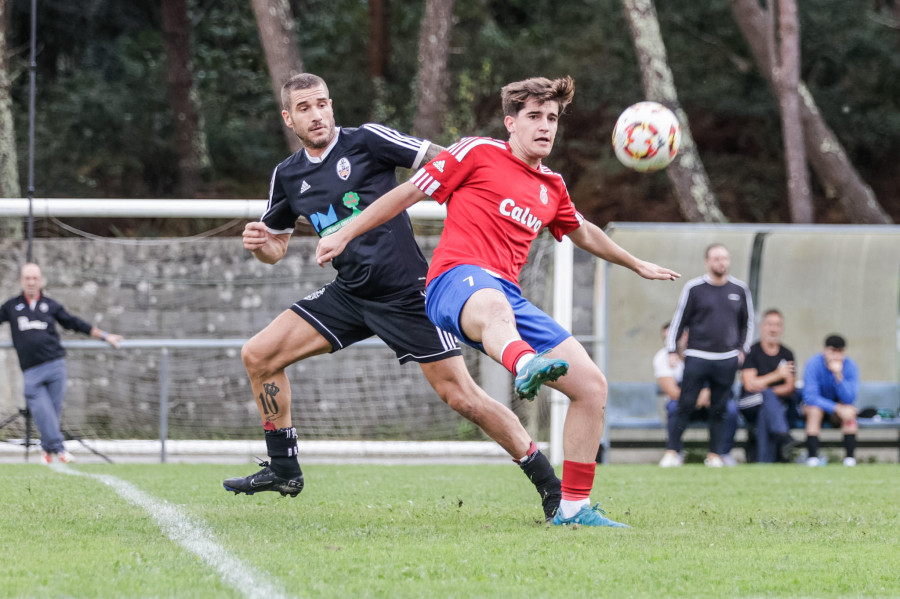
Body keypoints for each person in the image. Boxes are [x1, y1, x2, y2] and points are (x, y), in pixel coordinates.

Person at [317, 75, 680, 527]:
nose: (545, 126)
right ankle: (524, 363)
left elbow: (583, 231)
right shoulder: (476, 151)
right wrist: (345, 231)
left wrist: (635, 263)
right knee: (492, 305)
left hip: (507, 298)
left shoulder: (553, 186)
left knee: (591, 386)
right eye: (534, 117)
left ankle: (572, 509)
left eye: (552, 118)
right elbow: (407, 193)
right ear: (511, 123)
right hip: (454, 281)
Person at [222, 73, 563, 523]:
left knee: (463, 398)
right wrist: (259, 243)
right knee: (259, 355)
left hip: (407, 292)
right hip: (349, 293)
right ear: (289, 118)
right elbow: (275, 249)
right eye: (304, 108)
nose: (317, 114)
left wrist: (492, 193)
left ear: (331, 104)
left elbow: (447, 160)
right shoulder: (287, 176)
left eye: (322, 103)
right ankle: (284, 467)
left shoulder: (366, 140)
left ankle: (548, 484)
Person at [0, 263, 123, 463]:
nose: (31, 282)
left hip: (55, 366)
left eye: (35, 278)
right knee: (43, 411)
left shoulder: (50, 305)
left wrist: (105, 336)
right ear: (21, 281)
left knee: (53, 413)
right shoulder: (12, 306)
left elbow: (75, 323)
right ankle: (59, 449)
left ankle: (47, 451)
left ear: (40, 281)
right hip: (31, 371)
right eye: (27, 278)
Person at [665, 243, 752, 468]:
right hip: (697, 356)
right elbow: (679, 320)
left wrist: (742, 350)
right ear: (707, 262)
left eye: (724, 258)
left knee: (720, 408)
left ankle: (714, 455)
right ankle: (673, 452)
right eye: (716, 259)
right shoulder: (694, 288)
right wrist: (672, 349)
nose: (721, 262)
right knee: (684, 404)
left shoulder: (740, 289)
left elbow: (747, 324)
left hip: (726, 359)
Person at [655, 323, 738, 467]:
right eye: (667, 339)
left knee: (729, 409)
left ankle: (722, 453)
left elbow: (719, 382)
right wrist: (694, 397)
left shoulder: (703, 353)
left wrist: (708, 394)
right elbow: (672, 390)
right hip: (684, 401)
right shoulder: (663, 357)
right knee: (674, 408)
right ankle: (675, 453)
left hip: (708, 401)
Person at [738, 309, 798, 463]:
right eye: (770, 324)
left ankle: (764, 462)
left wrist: (765, 387)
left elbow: (789, 387)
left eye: (777, 325)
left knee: (765, 410)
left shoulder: (787, 354)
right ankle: (784, 435)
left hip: (772, 406)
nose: (773, 329)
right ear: (762, 327)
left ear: (782, 329)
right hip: (749, 403)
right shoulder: (752, 352)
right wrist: (777, 375)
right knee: (767, 397)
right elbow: (749, 384)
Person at [802, 334, 859, 467]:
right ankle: (812, 458)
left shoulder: (850, 366)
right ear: (825, 351)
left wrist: (838, 376)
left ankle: (850, 458)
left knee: (850, 412)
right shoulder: (813, 364)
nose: (835, 356)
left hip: (839, 411)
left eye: (839, 352)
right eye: (832, 351)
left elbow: (850, 397)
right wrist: (837, 408)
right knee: (814, 411)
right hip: (818, 407)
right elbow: (810, 397)